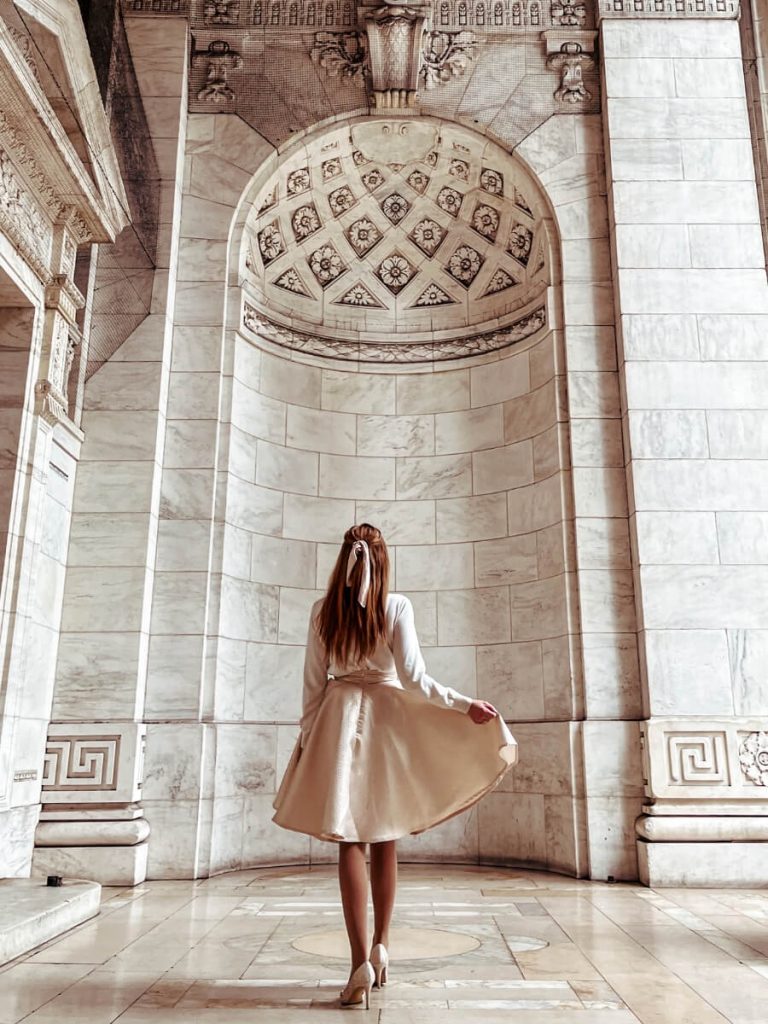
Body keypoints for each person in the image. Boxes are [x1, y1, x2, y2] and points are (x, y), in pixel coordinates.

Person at [273, 523, 517, 1009]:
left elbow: (312, 686)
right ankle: (383, 945)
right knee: (385, 833)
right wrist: (464, 703)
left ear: (344, 559)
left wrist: (306, 739)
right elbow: (416, 679)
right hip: (386, 721)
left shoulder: (324, 611)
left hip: (338, 723)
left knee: (348, 838)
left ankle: (358, 961)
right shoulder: (397, 606)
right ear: (383, 560)